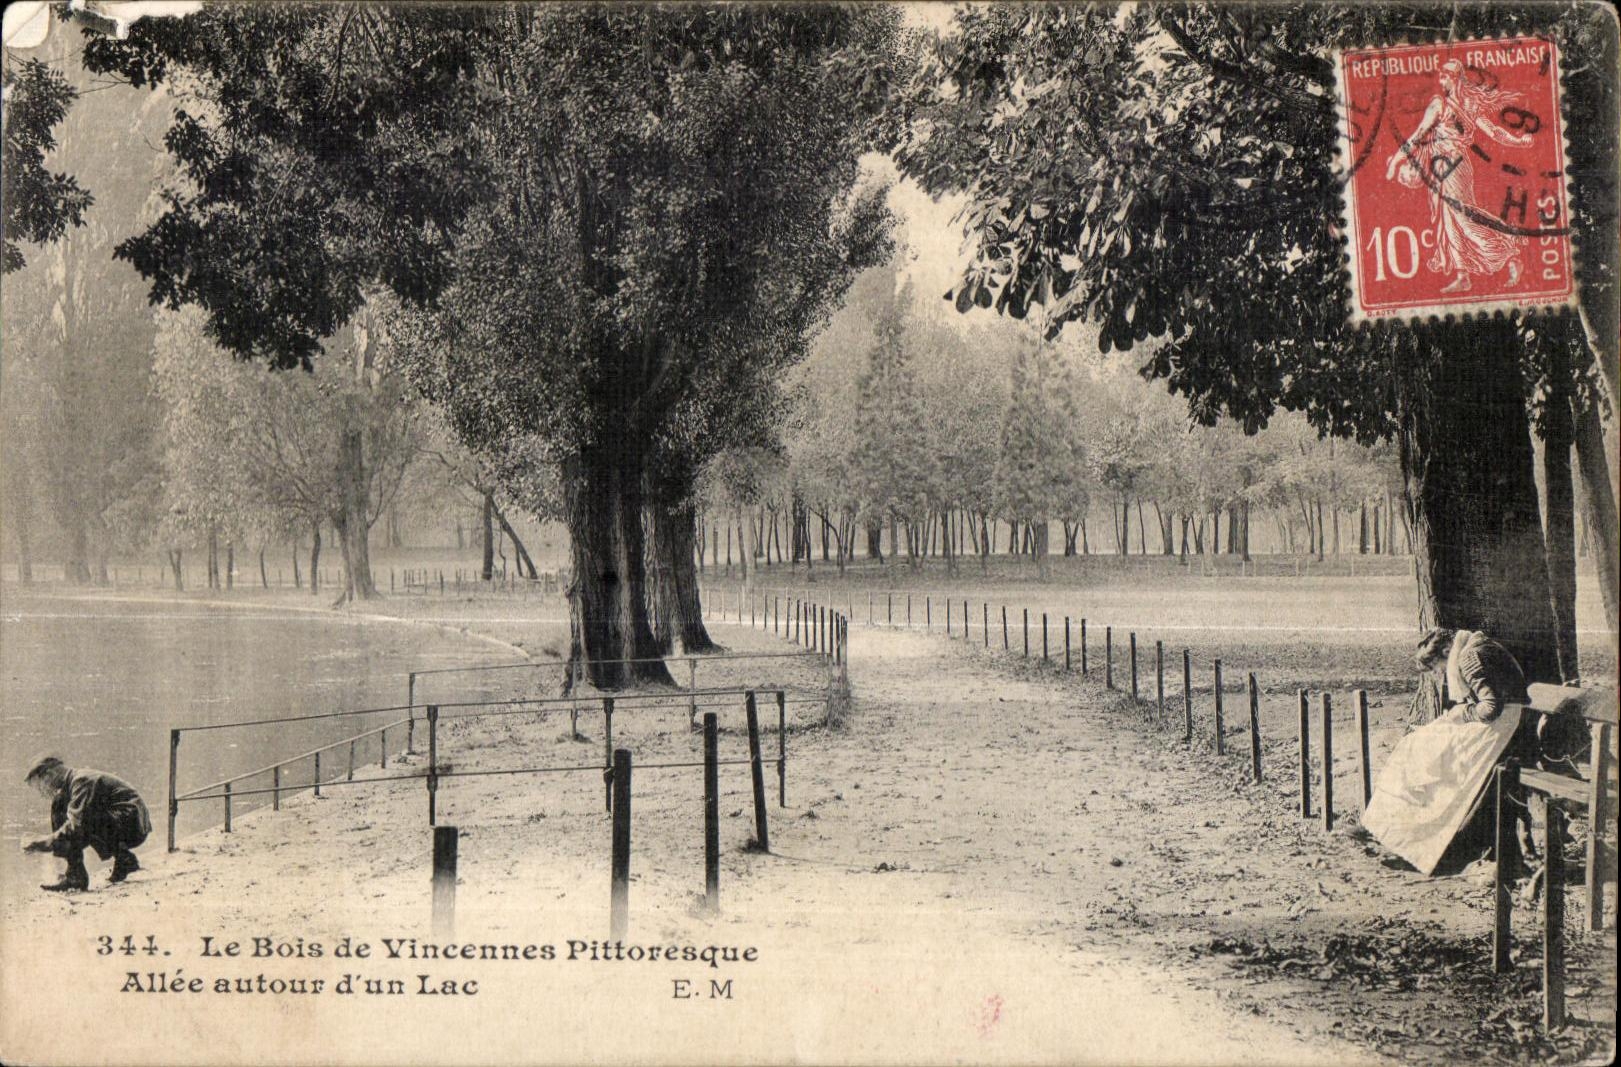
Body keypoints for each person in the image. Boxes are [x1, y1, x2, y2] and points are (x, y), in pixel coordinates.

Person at [1385, 59, 1535, 294]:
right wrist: (1518, 141)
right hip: (1447, 166)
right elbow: (1493, 132)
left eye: (1444, 77)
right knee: (1449, 221)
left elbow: (1418, 136)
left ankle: (1509, 253)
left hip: (1452, 166)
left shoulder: (1446, 104)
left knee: (1462, 218)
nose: (1440, 81)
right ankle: (1463, 276)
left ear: (1454, 78)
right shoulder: (1460, 104)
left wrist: (1395, 163)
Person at [21, 756, 151, 892]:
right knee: (60, 805)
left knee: (82, 820)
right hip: (124, 820)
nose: (43, 789)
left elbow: (76, 826)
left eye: (41, 783)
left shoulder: (82, 781)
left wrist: (42, 842)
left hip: (134, 827)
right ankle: (121, 860)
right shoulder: (74, 782)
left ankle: (78, 876)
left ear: (50, 774)